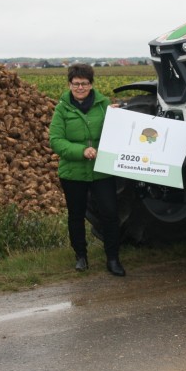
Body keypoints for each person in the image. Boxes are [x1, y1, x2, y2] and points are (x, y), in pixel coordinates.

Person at [49, 63, 125, 276]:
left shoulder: (104, 106)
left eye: (84, 83)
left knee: (110, 214)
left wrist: (117, 117)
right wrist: (81, 151)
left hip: (102, 170)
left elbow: (116, 131)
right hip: (73, 172)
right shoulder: (62, 109)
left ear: (91, 84)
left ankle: (113, 258)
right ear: (69, 84)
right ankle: (81, 256)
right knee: (76, 215)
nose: (80, 87)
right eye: (76, 84)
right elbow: (56, 140)